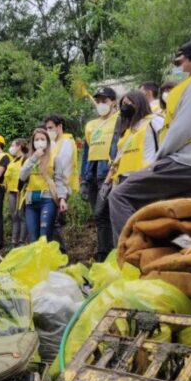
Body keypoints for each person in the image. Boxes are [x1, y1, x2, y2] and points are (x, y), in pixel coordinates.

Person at [109, 40, 191, 242]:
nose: (178, 68)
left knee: (119, 196)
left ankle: (132, 254)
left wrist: (158, 159)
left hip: (185, 161)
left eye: (180, 62)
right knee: (175, 216)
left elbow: (183, 127)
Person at [81, 86, 120, 261]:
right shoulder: (91, 125)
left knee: (107, 213)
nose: (101, 104)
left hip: (109, 173)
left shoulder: (119, 120)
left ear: (113, 102)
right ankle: (103, 253)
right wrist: (83, 179)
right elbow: (85, 153)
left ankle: (113, 253)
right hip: (92, 173)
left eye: (104, 100)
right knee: (99, 217)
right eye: (98, 101)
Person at [109, 91, 163, 184]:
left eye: (128, 103)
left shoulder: (154, 121)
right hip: (124, 177)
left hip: (145, 175)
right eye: (123, 104)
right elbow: (119, 156)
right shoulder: (127, 129)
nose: (125, 107)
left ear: (139, 102)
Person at [44, 115, 78, 250]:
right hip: (51, 187)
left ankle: (61, 253)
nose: (48, 131)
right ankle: (56, 253)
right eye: (46, 128)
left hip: (62, 186)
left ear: (59, 127)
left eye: (51, 128)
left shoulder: (67, 142)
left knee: (53, 222)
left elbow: (60, 166)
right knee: (52, 222)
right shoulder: (52, 143)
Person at [4, 138, 28, 248]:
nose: (11, 148)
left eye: (13, 145)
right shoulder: (13, 161)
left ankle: (22, 241)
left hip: (21, 191)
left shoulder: (26, 159)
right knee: (14, 216)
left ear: (19, 146)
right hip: (12, 192)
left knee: (21, 215)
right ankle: (14, 241)